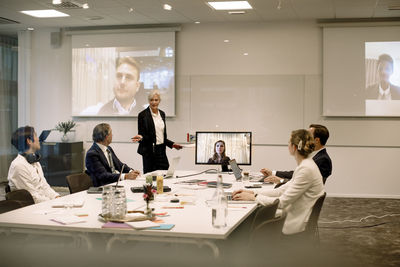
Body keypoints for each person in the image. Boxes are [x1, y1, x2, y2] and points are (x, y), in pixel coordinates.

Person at [232, 129, 324, 235]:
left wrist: (254, 198)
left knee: (249, 221)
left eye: (289, 142)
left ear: (294, 147)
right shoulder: (306, 165)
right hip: (297, 215)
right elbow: (280, 191)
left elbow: (281, 203)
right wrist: (251, 193)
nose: (288, 145)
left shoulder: (306, 169)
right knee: (255, 214)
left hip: (295, 223)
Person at [262, 124, 332, 185]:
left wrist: (280, 180)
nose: (304, 139)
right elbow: (298, 175)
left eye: (308, 137)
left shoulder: (323, 160)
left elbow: (302, 182)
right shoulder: (314, 156)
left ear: (317, 140)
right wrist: (274, 173)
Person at [132, 89, 182, 174]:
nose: (154, 102)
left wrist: (172, 144)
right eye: (151, 100)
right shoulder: (143, 115)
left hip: (161, 151)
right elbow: (142, 134)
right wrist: (141, 138)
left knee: (166, 174)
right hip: (149, 151)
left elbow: (162, 136)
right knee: (151, 177)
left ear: (159, 101)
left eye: (156, 100)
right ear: (148, 101)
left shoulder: (162, 114)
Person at [7, 126, 60, 203]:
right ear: (29, 141)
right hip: (30, 209)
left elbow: (44, 186)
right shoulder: (18, 165)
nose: (38, 139)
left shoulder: (35, 161)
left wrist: (56, 197)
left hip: (43, 204)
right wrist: (53, 203)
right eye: (36, 136)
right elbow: (33, 197)